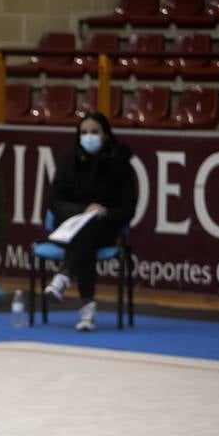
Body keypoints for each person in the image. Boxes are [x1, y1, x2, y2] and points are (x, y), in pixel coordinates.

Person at [43, 112, 136, 331]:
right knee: (84, 234)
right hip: (69, 225)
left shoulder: (120, 163)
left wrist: (103, 212)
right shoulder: (68, 159)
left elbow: (128, 208)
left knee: (88, 231)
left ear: (105, 135)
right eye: (84, 132)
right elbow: (55, 201)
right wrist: (81, 211)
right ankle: (86, 309)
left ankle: (64, 278)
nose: (89, 137)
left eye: (95, 132)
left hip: (105, 226)